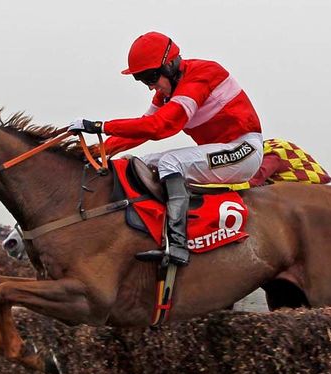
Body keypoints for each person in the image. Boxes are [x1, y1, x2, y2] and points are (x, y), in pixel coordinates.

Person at [69, 31, 263, 266]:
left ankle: (178, 246)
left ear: (170, 65)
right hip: (221, 150)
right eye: (142, 80)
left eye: (151, 77)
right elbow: (140, 132)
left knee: (170, 162)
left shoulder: (202, 76)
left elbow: (161, 127)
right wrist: (92, 154)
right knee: (140, 162)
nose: (151, 87)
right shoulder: (165, 93)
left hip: (244, 151)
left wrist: (100, 126)